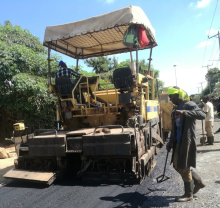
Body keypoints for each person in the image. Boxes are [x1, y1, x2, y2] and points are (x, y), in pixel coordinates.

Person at [167, 86, 206, 202]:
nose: (170, 99)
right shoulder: (176, 107)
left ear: (178, 95)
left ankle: (188, 194)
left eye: (171, 96)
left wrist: (184, 112)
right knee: (177, 165)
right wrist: (170, 141)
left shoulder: (189, 105)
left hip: (186, 140)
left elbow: (202, 115)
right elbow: (175, 126)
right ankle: (198, 182)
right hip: (178, 141)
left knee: (183, 165)